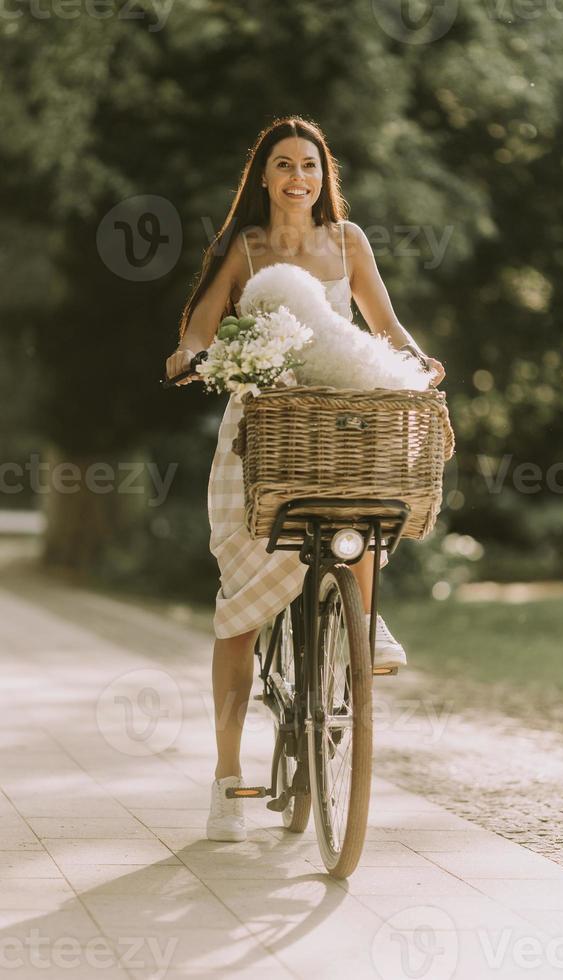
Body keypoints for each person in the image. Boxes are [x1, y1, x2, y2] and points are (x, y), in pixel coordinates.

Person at [165, 116, 445, 842]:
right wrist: (191, 355)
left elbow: (386, 326)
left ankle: (359, 620)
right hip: (266, 427)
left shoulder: (348, 243)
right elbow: (199, 325)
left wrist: (421, 363)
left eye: (311, 166)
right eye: (284, 165)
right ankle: (227, 779)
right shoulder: (244, 247)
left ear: (326, 177)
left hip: (336, 422)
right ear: (263, 176)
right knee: (240, 611)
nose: (299, 178)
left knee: (371, 507)